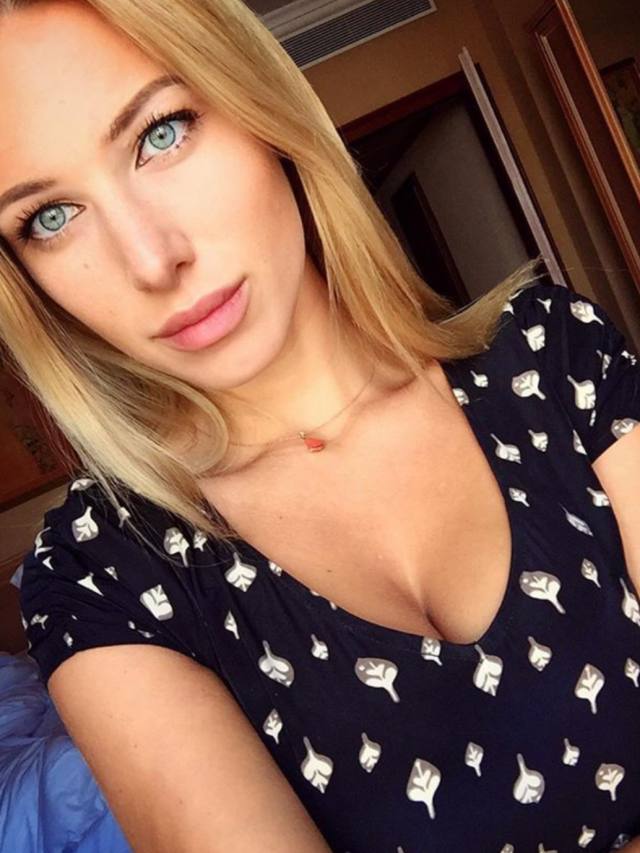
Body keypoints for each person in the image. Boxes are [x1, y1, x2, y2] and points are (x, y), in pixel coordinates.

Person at [1, 0, 639, 851]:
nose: (152, 260)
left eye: (161, 133)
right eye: (50, 217)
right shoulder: (100, 572)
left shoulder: (556, 357)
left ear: (258, 102)